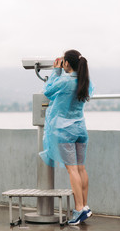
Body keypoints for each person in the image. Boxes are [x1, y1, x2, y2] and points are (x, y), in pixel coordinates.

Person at [39, 49, 94, 225]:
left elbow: (47, 91)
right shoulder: (85, 80)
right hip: (80, 129)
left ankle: (78, 209)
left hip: (65, 131)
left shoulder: (64, 81)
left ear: (67, 63)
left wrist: (56, 72)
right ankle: (85, 206)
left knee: (72, 170)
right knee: (81, 168)